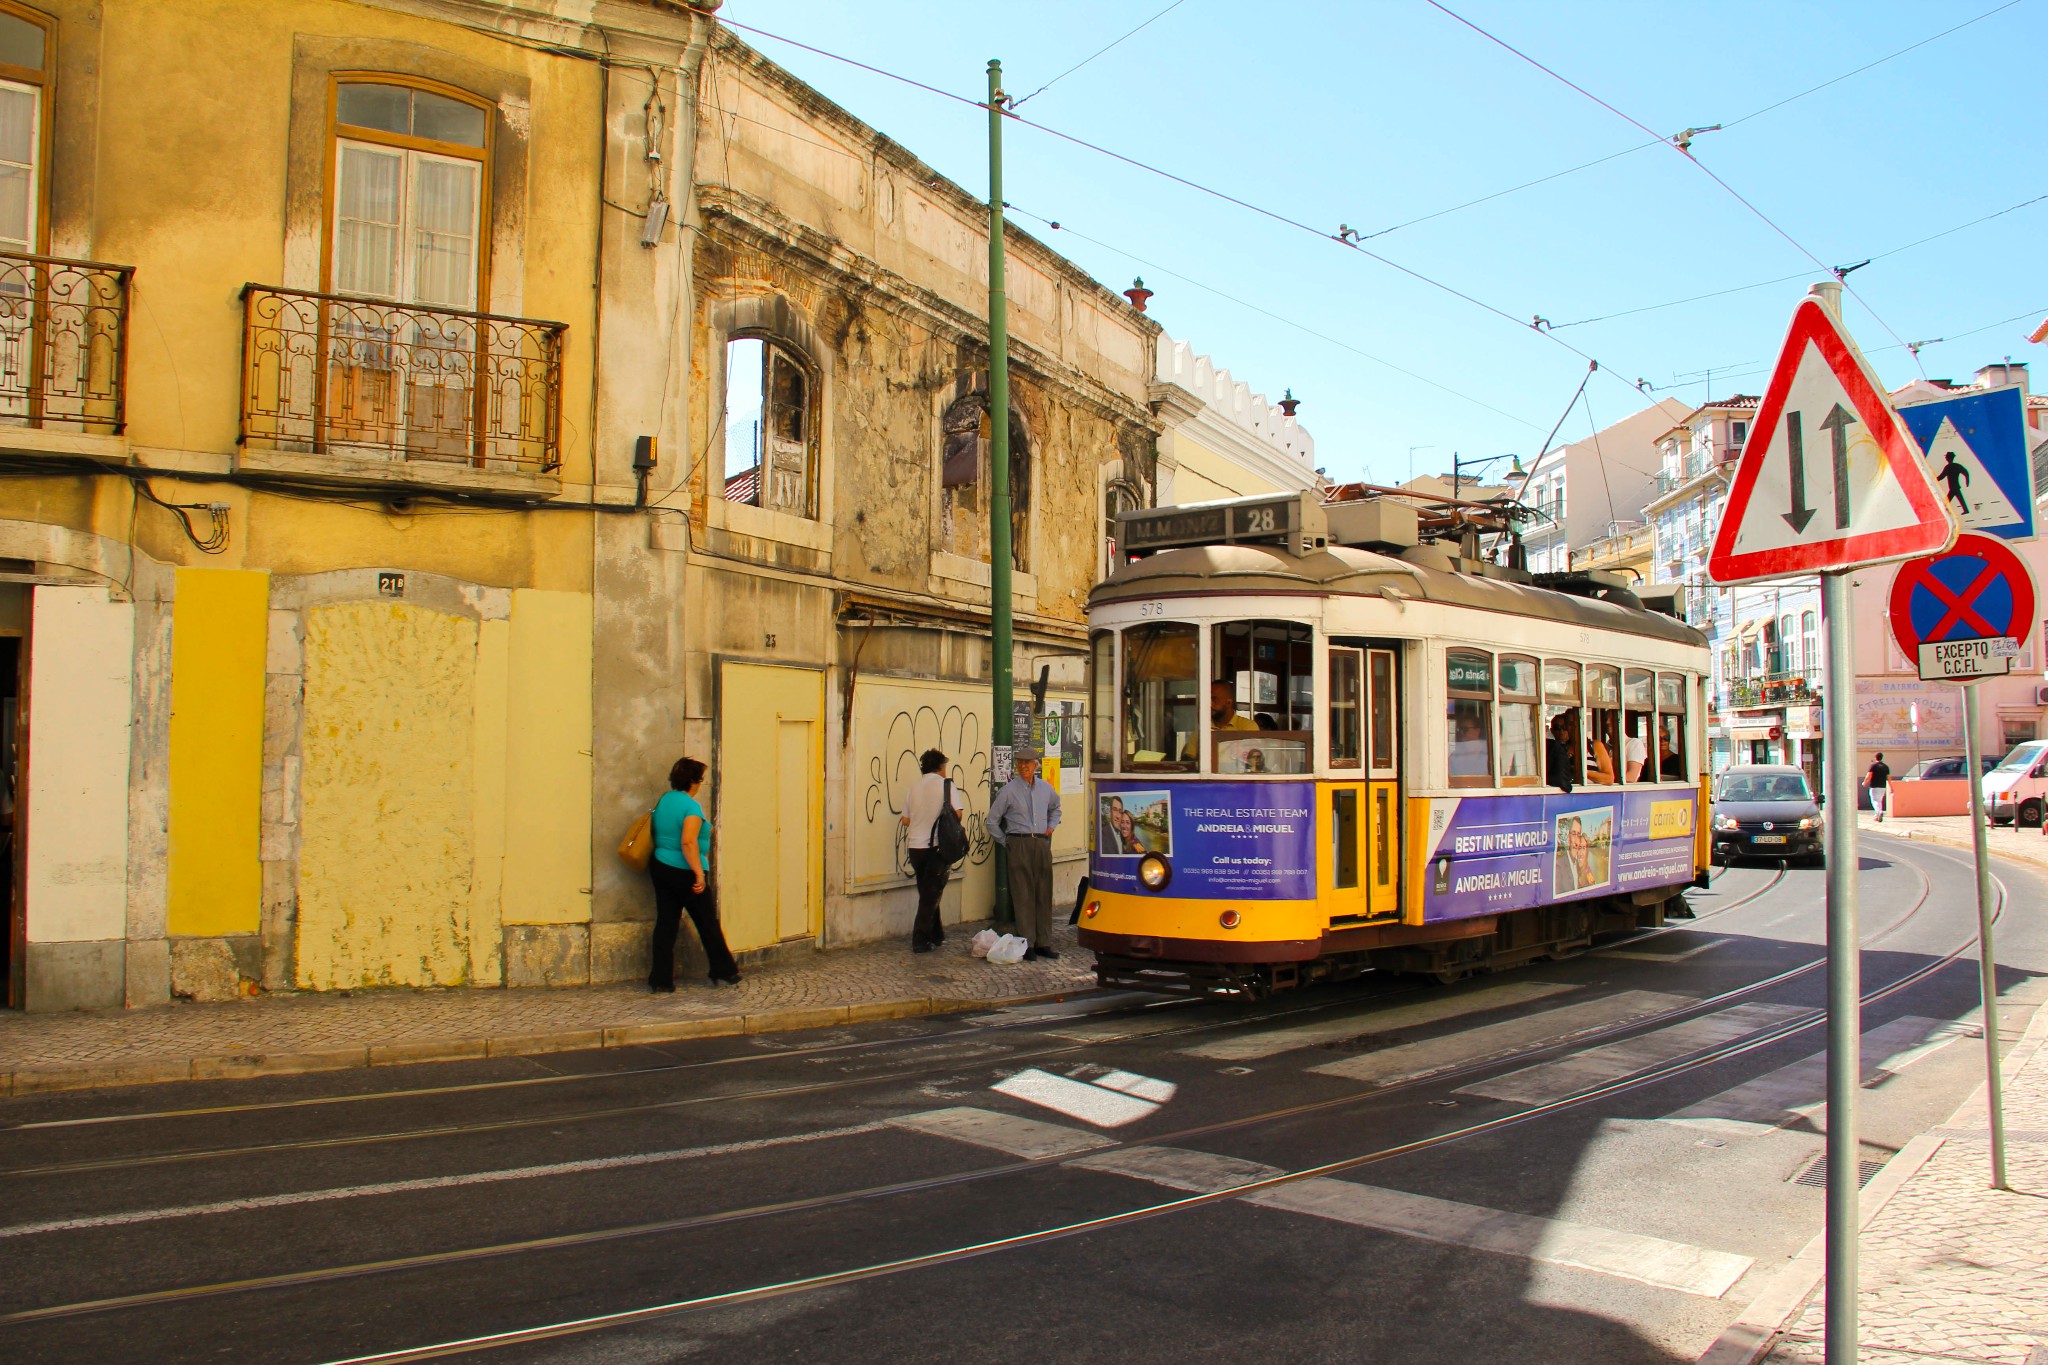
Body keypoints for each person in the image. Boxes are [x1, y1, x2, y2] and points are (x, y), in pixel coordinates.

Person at [648, 756, 740, 991]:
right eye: (700, 780)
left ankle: (660, 980)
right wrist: (699, 874)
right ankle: (724, 969)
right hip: (685, 871)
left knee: (666, 924)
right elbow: (688, 842)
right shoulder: (690, 807)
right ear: (693, 781)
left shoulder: (665, 800)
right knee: (707, 922)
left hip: (661, 865)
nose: (700, 784)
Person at [987, 744, 1062, 959]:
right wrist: (1006, 842)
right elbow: (992, 821)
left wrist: (1051, 826)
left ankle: (1044, 942)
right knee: (1023, 894)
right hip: (1018, 842)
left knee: (1043, 892)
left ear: (1035, 765)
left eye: (1027, 763)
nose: (1023, 767)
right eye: (1019, 763)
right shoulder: (1008, 791)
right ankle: (1026, 943)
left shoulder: (1046, 789)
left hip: (1041, 842)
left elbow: (1056, 807)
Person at [900, 748, 967, 953]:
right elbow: (958, 814)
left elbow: (905, 820)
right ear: (940, 767)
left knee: (927, 889)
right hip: (936, 847)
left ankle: (937, 934)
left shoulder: (914, 787)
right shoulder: (947, 786)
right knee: (930, 894)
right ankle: (920, 940)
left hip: (915, 847)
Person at [1449, 707, 1489, 778]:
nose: (1461, 733)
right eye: (1459, 730)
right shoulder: (1455, 756)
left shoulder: (1490, 752)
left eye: (1465, 729)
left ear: (1477, 730)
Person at [1545, 712, 1577, 792]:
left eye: (1564, 727)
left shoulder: (1581, 749)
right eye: (1557, 728)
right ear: (1552, 730)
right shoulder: (1549, 749)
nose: (1561, 731)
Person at [1867, 751, 1891, 822]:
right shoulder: (1886, 767)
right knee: (1879, 801)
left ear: (1875, 758)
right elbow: (1889, 778)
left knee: (1874, 801)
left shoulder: (1873, 766)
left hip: (1874, 786)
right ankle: (1877, 816)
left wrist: (1864, 782)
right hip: (1883, 787)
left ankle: (1879, 811)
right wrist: (1891, 787)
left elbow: (1869, 775)